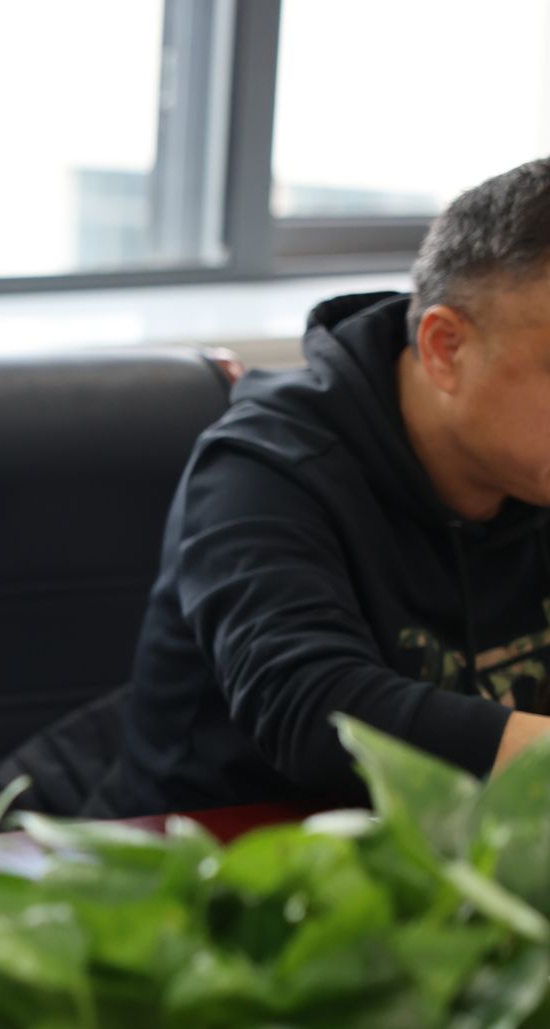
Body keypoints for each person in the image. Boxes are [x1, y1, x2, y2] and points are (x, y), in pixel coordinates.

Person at [96, 157, 550, 816]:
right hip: (224, 852)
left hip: (473, 848)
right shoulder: (262, 467)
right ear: (445, 348)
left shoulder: (527, 466)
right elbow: (312, 705)